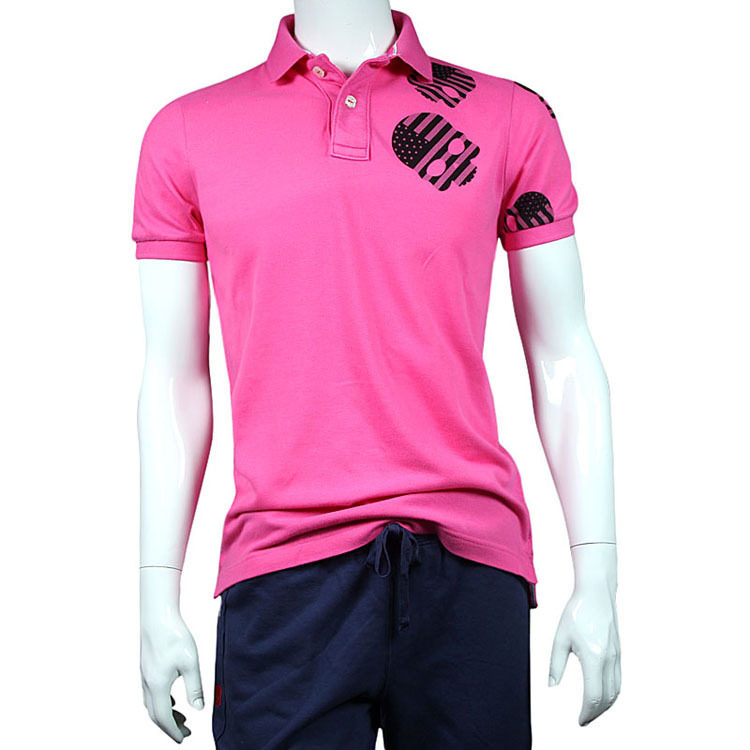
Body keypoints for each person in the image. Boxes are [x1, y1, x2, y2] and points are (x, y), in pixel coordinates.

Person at [134, 2, 621, 747]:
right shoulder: (187, 133)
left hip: (468, 563)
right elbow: (175, 378)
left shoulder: (508, 117)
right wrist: (154, 589)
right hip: (283, 569)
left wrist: (599, 575)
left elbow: (564, 351)